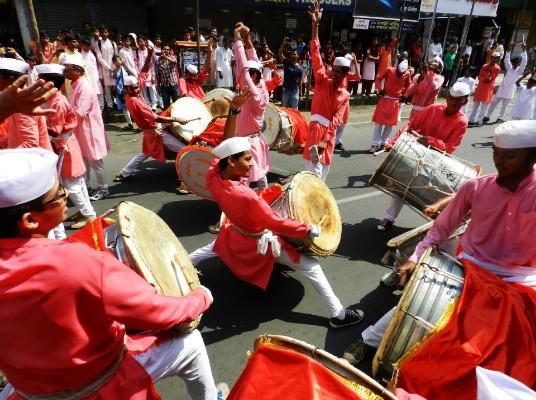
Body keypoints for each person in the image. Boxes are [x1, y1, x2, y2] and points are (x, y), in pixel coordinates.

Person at [0, 147, 226, 400]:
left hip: (29, 390)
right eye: (58, 196)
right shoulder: (77, 261)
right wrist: (199, 297)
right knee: (191, 343)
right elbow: (155, 312)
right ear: (30, 220)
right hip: (96, 384)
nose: (66, 197)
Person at [348, 121, 536, 395]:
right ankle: (368, 340)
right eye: (496, 152)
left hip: (521, 277)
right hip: (473, 266)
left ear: (532, 157)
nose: (499, 161)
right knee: (421, 300)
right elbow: (441, 230)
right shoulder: (476, 187)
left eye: (509, 156)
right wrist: (415, 257)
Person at [189, 134, 364, 328]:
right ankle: (338, 315)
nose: (252, 164)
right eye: (247, 159)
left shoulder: (214, 179)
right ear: (231, 161)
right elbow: (276, 223)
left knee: (209, 249)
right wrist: (307, 228)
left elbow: (215, 162)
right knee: (311, 267)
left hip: (234, 233)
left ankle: (182, 266)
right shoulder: (247, 196)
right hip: (257, 243)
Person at [376, 82, 470, 233]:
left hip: (437, 162)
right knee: (401, 186)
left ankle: (434, 231)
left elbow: (451, 147)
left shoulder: (462, 121)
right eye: (452, 98)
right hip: (415, 153)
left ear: (464, 101)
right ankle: (389, 218)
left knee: (429, 195)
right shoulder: (433, 109)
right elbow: (410, 126)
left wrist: (431, 141)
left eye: (458, 100)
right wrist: (393, 142)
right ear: (447, 97)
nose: (454, 102)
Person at [36, 63, 97, 230]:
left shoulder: (58, 102)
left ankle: (89, 215)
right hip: (66, 144)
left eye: (40, 81)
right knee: (78, 182)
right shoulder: (55, 99)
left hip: (64, 146)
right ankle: (87, 211)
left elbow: (55, 131)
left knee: (72, 185)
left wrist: (36, 121)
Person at [114, 62, 188, 182]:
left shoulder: (131, 94)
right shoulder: (134, 101)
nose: (137, 90)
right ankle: (186, 177)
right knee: (184, 150)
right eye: (133, 88)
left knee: (144, 153)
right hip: (156, 133)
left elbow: (143, 73)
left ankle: (124, 173)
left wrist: (149, 54)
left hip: (150, 131)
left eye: (138, 87)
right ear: (126, 89)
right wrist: (176, 119)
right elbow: (155, 117)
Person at [302, 2, 350, 181]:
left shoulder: (345, 95)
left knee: (322, 177)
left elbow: (337, 121)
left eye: (340, 71)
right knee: (313, 177)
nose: (335, 73)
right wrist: (315, 26)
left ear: (345, 74)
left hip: (328, 136)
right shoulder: (322, 80)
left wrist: (326, 140)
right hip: (315, 131)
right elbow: (315, 54)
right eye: (334, 70)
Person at [62, 56, 109, 201]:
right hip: (80, 130)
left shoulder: (84, 87)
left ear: (77, 70)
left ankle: (103, 188)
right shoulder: (77, 85)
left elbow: (79, 113)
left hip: (89, 130)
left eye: (67, 69)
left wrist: (63, 122)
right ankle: (86, 186)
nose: (65, 72)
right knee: (84, 160)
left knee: (95, 161)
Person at [231, 23, 272, 189]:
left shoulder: (253, 93)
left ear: (253, 76)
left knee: (244, 179)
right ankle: (267, 201)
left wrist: (237, 38)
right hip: (255, 141)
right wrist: (248, 39)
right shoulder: (261, 86)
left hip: (247, 144)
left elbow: (243, 65)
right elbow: (254, 60)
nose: (243, 75)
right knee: (260, 176)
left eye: (249, 74)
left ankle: (241, 208)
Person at [0, 58, 52, 151]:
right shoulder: (15, 101)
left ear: (10, 79)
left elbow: (30, 144)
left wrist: (5, 157)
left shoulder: (21, 105)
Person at [369, 58, 411, 153]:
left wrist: (405, 95)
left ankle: (383, 142)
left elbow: (409, 85)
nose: (400, 74)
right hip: (385, 99)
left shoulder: (407, 74)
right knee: (378, 124)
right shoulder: (389, 70)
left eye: (402, 73)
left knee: (389, 125)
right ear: (396, 67)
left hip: (396, 102)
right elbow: (379, 78)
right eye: (399, 73)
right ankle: (375, 143)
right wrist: (380, 89)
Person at [484, 42, 528, 124]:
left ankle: (500, 117)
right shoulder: (509, 68)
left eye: (516, 64)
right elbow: (506, 60)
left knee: (505, 105)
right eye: (513, 63)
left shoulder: (519, 71)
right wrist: (509, 49)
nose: (514, 65)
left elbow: (524, 62)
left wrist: (524, 49)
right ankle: (487, 116)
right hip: (502, 88)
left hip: (510, 90)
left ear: (518, 64)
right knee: (494, 103)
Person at [468, 52, 501, 126]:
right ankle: (471, 119)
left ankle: (479, 121)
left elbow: (491, 78)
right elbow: (480, 76)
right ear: (491, 57)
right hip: (481, 87)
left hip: (488, 88)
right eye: (493, 57)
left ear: (498, 59)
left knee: (484, 106)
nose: (495, 59)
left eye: (496, 58)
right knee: (475, 105)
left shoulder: (497, 68)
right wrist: (484, 78)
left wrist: (489, 71)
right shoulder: (484, 66)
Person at [95, 26, 118, 110]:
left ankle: (117, 103)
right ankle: (110, 105)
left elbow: (116, 55)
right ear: (100, 33)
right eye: (103, 32)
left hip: (114, 67)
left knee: (116, 87)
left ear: (108, 33)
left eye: (106, 32)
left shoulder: (113, 43)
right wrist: (108, 67)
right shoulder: (99, 44)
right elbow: (99, 58)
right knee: (107, 88)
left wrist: (115, 67)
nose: (104, 34)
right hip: (105, 69)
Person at [80, 38, 104, 111]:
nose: (88, 47)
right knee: (89, 92)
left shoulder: (93, 53)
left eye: (89, 46)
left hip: (96, 76)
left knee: (99, 91)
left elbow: (97, 65)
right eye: (86, 46)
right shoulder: (79, 55)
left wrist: (100, 75)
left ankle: (101, 107)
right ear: (82, 45)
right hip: (86, 77)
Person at [112, 55, 135, 130]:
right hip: (119, 91)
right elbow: (114, 77)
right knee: (124, 108)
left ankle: (138, 122)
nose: (119, 61)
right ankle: (129, 124)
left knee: (131, 107)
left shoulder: (124, 67)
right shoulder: (115, 70)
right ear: (114, 62)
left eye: (119, 60)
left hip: (127, 90)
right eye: (116, 61)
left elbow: (132, 74)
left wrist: (126, 66)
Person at [278, 44, 303, 109]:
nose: (293, 55)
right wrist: (283, 43)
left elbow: (300, 82)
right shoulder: (286, 62)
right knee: (284, 110)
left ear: (297, 56)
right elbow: (280, 53)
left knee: (294, 110)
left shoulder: (300, 68)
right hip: (286, 90)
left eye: (294, 54)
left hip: (295, 91)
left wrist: (300, 94)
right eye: (292, 54)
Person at [155, 44, 180, 110]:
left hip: (174, 85)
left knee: (177, 104)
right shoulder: (158, 61)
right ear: (162, 50)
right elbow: (158, 75)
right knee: (166, 105)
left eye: (167, 49)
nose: (166, 50)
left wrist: (165, 57)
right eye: (164, 49)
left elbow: (174, 62)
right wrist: (158, 86)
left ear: (169, 51)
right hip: (164, 86)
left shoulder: (173, 57)